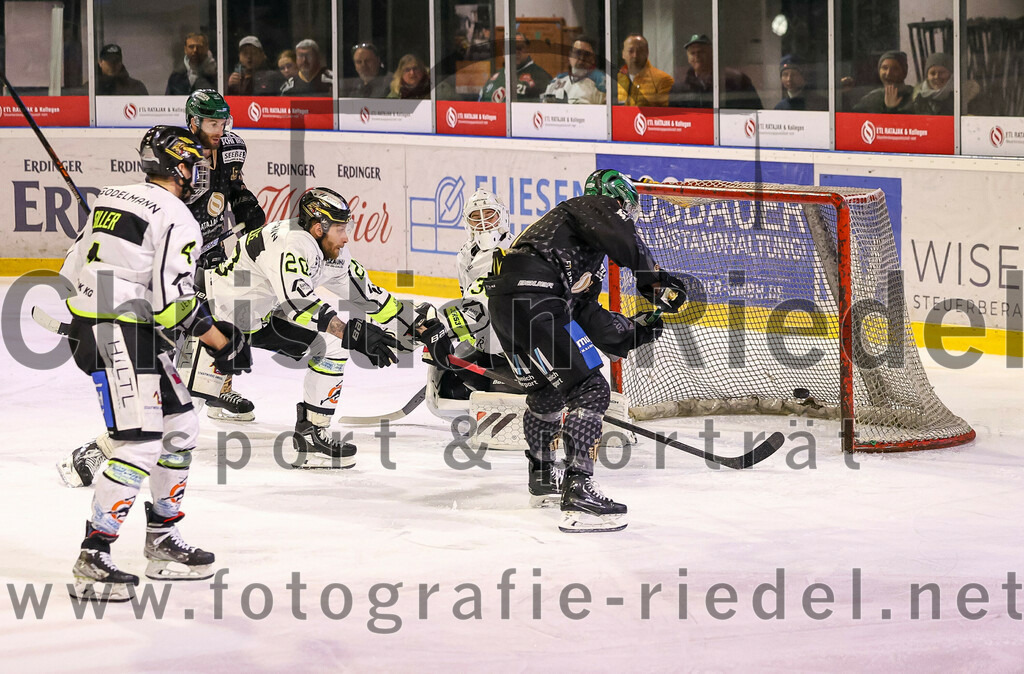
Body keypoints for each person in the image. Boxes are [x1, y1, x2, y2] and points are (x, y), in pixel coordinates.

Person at [62, 125, 251, 602]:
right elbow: (174, 305)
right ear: (180, 165)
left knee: (182, 423)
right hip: (118, 332)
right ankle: (94, 553)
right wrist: (220, 341)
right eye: (191, 164)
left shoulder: (112, 196)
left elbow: (69, 268)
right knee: (140, 443)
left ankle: (163, 538)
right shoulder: (178, 216)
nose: (195, 173)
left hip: (108, 325)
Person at [57, 90, 267, 488]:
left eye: (224, 122)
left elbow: (232, 190)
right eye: (211, 123)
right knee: (166, 376)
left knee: (185, 376)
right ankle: (104, 449)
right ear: (192, 123)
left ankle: (212, 389)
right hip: (171, 265)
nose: (219, 131)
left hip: (205, 255)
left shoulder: (230, 149)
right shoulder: (175, 169)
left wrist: (248, 209)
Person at [482, 169, 686, 533]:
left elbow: (586, 316)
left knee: (545, 393)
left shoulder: (575, 244)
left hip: (507, 304)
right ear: (619, 201)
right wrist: (654, 282)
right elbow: (627, 242)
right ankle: (579, 491)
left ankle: (544, 477)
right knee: (591, 390)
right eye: (626, 211)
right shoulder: (591, 206)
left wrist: (637, 329)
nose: (626, 219)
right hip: (536, 299)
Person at [202, 188, 405, 467]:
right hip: (209, 316)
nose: (346, 237)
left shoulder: (326, 248)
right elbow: (299, 304)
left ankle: (311, 434)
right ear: (318, 226)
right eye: (340, 228)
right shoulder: (292, 243)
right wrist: (352, 334)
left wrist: (418, 326)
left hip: (255, 319)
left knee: (330, 345)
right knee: (169, 408)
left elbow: (368, 295)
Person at [416, 189, 515, 420]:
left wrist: (445, 327)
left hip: (511, 342)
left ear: (502, 216)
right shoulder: (465, 255)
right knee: (450, 383)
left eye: (489, 214)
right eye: (475, 216)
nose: (482, 221)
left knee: (501, 402)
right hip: (483, 336)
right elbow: (467, 302)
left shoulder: (515, 250)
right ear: (466, 221)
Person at [669, 34, 762, 109]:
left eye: (701, 52)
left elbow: (756, 112)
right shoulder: (679, 87)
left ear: (712, 53)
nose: (697, 56)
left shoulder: (736, 80)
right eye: (692, 53)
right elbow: (674, 119)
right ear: (688, 58)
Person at [479, 33, 552, 103]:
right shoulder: (494, 78)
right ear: (503, 52)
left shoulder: (541, 77)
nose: (515, 52)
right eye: (511, 48)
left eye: (520, 48)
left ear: (528, 50)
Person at [541, 35, 607, 105]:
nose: (582, 58)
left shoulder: (602, 83)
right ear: (570, 56)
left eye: (587, 54)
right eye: (578, 53)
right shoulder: (557, 81)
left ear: (593, 59)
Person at [616, 34, 673, 106]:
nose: (635, 55)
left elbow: (668, 114)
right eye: (631, 51)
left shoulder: (663, 80)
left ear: (647, 53)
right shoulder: (618, 79)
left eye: (640, 51)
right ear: (623, 54)